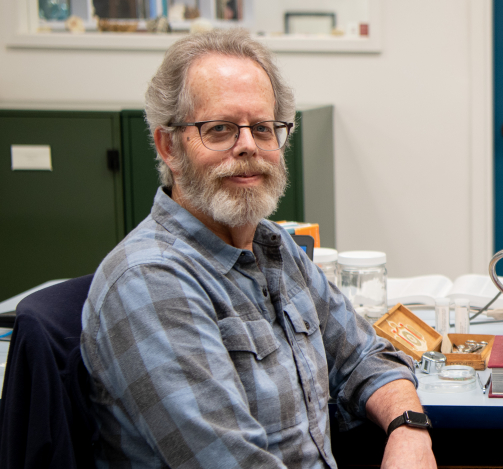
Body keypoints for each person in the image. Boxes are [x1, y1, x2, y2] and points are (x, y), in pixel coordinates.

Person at [80, 28, 436, 469]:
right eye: (221, 129)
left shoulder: (273, 246)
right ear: (168, 146)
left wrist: (408, 428)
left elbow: (366, 356)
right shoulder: (151, 281)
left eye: (263, 129)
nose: (248, 145)